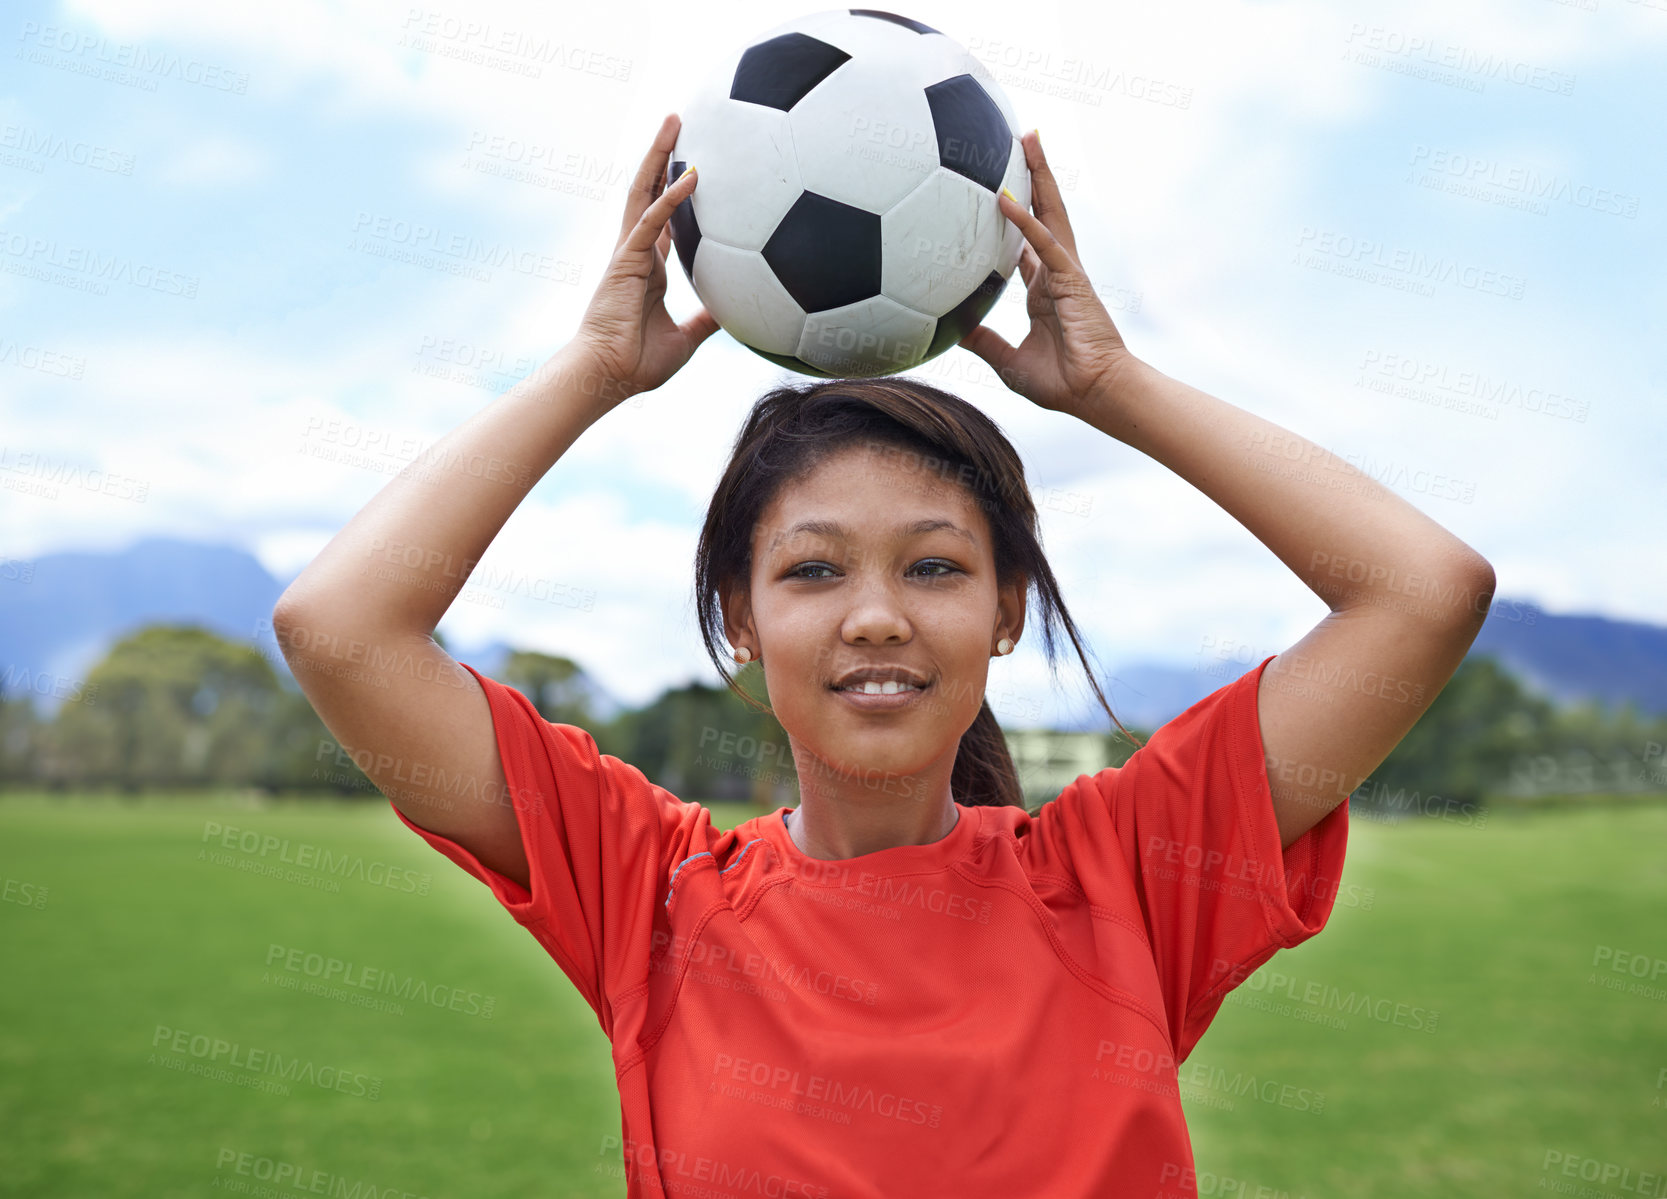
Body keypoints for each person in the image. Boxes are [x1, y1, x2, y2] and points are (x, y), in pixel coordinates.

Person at [273, 113, 1496, 1199]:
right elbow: (337, 627)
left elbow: (1420, 592)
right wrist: (591, 373)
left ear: (1006, 608)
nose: (874, 617)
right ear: (739, 621)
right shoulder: (647, 896)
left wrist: (1112, 387)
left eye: (933, 566)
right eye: (811, 569)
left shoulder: (1128, 880)